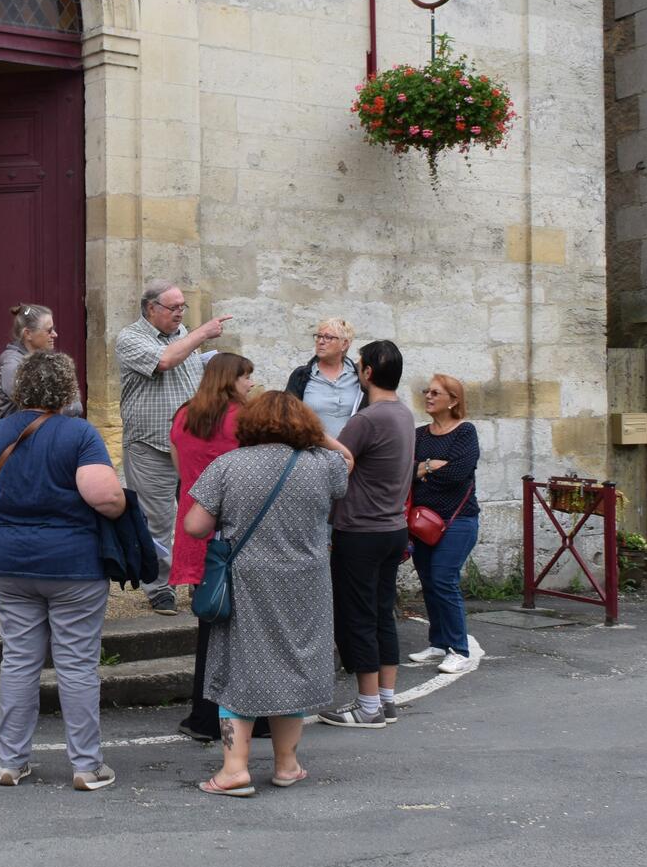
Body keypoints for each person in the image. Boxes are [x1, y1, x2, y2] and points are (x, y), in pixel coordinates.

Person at [0, 351, 126, 791]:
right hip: (72, 564)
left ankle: (11, 761)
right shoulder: (79, 434)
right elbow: (106, 498)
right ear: (67, 388)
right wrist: (124, 502)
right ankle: (86, 765)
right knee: (76, 664)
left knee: (18, 661)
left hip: (9, 562)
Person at [182, 392, 349, 796]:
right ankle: (287, 765)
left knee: (237, 665)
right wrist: (319, 436)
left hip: (249, 581)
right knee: (292, 666)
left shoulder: (228, 465)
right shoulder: (324, 464)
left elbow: (194, 526)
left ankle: (234, 769)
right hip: (306, 582)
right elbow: (347, 460)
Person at [115, 279, 231, 615]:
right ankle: (159, 586)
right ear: (151, 308)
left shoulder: (184, 336)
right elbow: (164, 361)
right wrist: (201, 335)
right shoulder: (131, 338)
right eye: (174, 308)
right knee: (157, 520)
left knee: (200, 516)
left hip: (193, 446)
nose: (180, 313)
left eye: (183, 307)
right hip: (150, 445)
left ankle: (198, 580)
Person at [318, 340, 416, 729]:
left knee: (356, 617)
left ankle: (368, 705)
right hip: (393, 527)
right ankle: (386, 699)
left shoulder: (367, 419)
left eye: (358, 366)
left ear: (369, 372)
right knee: (381, 613)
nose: (356, 371)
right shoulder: (404, 414)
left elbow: (338, 461)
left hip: (360, 530)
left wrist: (312, 433)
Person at [168, 352, 255, 742]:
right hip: (238, 531)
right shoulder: (244, 419)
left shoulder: (183, 416)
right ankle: (257, 717)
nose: (251, 384)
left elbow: (179, 470)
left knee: (210, 621)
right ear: (229, 380)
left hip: (195, 526)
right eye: (246, 377)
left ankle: (203, 715)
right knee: (250, 627)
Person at [409, 373, 485, 675]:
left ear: (453, 400)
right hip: (422, 522)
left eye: (436, 393)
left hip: (458, 520)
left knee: (443, 579)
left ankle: (459, 649)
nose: (428, 396)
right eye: (427, 392)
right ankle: (439, 642)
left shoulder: (465, 432)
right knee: (429, 582)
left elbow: (458, 474)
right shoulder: (419, 435)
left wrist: (422, 472)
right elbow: (405, 472)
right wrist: (428, 467)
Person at [0, 303, 83, 421]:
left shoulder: (47, 359)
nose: (55, 335)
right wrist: (65, 406)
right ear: (28, 334)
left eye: (53, 329)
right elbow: (33, 408)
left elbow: (76, 405)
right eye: (49, 330)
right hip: (22, 436)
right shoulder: (11, 365)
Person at [284, 318, 363, 438]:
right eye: (319, 336)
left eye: (328, 337)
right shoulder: (301, 375)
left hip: (352, 453)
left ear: (344, 344)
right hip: (311, 452)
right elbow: (287, 416)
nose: (321, 341)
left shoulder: (358, 375)